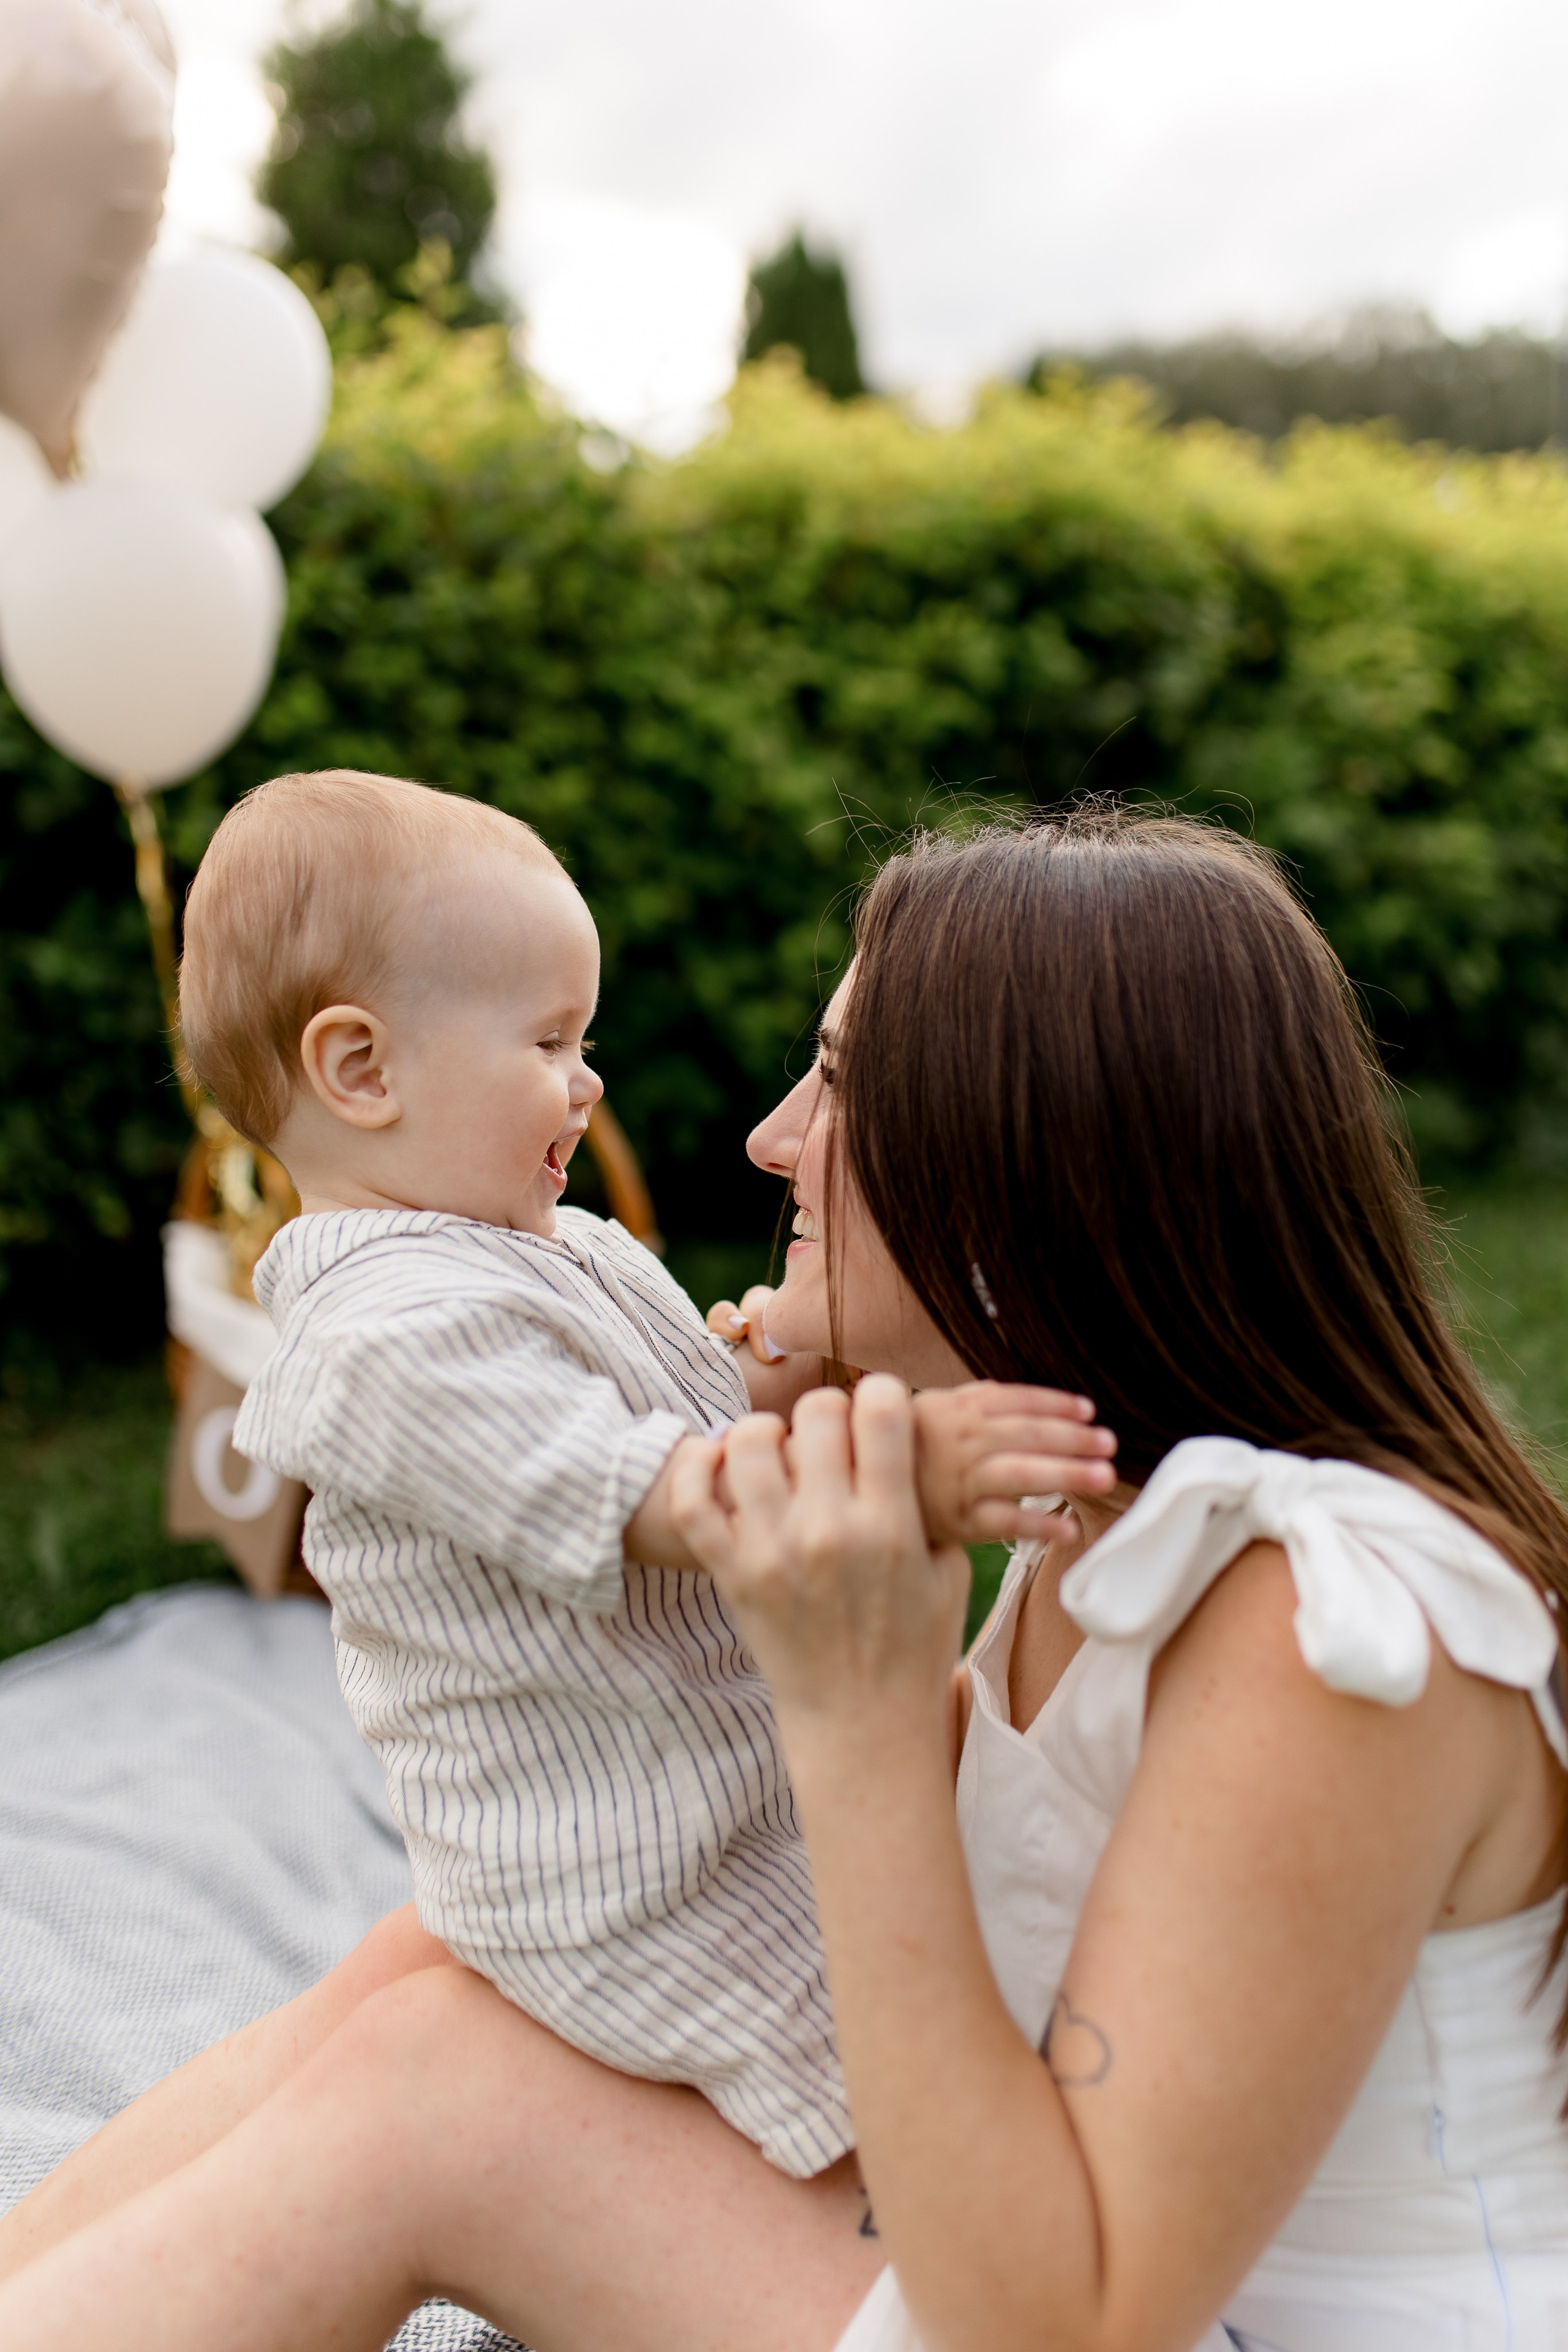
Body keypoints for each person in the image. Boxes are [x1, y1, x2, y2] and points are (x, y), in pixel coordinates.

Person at [1, 807, 1564, 2351]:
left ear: (1027, 1152)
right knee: (439, 1967)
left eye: (837, 1082)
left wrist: (858, 1716)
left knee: (445, 2095)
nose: (770, 1139)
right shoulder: (1100, 1530)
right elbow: (1019, 1887)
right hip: (1051, 2256)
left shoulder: (1326, 1632)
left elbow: (1066, 2323)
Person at [173, 768, 1110, 2179]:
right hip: (612, 1872)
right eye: (548, 1041)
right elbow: (649, 1493)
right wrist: (898, 1475)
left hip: (708, 1795)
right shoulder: (380, 1341)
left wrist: (767, 1378)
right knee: (836, 2074)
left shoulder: (551, 1248)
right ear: (359, 1071)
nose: (587, 1081)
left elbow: (688, 1414)